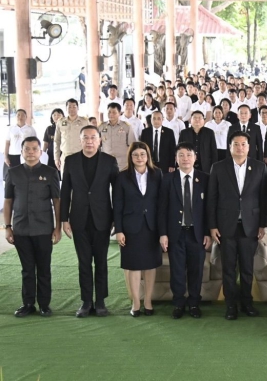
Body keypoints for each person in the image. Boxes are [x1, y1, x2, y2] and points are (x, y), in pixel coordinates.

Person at [208, 131, 267, 320]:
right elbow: (212, 198)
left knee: (247, 268)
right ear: (230, 147)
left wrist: (262, 224)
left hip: (250, 226)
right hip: (226, 226)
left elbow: (263, 198)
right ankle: (230, 305)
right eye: (236, 144)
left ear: (249, 147)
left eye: (243, 144)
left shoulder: (259, 167)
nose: (240, 147)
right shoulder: (218, 167)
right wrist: (212, 226)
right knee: (228, 268)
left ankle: (247, 303)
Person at [60, 125, 119, 318]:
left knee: (101, 262)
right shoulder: (70, 161)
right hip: (78, 219)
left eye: (93, 137)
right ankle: (86, 301)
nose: (89, 141)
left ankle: (100, 301)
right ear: (80, 140)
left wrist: (116, 220)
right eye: (85, 137)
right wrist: (64, 219)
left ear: (99, 140)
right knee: (84, 262)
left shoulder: (109, 161)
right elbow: (65, 191)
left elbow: (117, 193)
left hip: (103, 219)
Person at [3, 137, 61, 317]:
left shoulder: (50, 172)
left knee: (43, 268)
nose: (30, 152)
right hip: (21, 229)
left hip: (44, 229)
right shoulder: (13, 173)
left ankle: (44, 304)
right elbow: (8, 201)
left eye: (34, 149)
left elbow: (57, 201)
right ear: (21, 152)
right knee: (27, 269)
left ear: (40, 152)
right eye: (27, 149)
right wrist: (7, 226)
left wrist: (58, 227)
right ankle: (28, 304)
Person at [158, 143, 210, 319]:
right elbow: (162, 209)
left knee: (196, 270)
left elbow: (209, 208)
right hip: (176, 233)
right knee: (177, 270)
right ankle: (178, 303)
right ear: (176, 159)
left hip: (197, 234)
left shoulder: (205, 179)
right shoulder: (167, 179)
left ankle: (194, 303)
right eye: (181, 155)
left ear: (195, 158)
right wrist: (163, 233)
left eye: (189, 155)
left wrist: (208, 232)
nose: (185, 158)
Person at [113, 142, 163, 317]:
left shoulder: (157, 174)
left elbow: (161, 204)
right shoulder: (122, 176)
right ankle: (135, 302)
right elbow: (117, 205)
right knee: (133, 266)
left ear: (148, 156)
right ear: (131, 157)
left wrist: (162, 231)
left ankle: (148, 301)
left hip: (152, 226)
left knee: (150, 266)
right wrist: (119, 230)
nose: (139, 158)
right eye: (135, 155)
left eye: (142, 154)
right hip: (130, 228)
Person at [98, 103, 137, 170]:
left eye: (114, 112)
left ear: (119, 113)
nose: (111, 114)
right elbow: (97, 145)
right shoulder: (101, 126)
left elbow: (131, 145)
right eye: (109, 112)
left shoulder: (126, 127)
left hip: (122, 163)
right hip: (106, 161)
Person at [53, 99, 89, 170]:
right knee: (65, 176)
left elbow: (90, 138)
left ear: (78, 108)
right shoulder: (60, 122)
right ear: (66, 108)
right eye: (69, 107)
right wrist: (56, 158)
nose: (72, 109)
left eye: (74, 107)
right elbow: (57, 141)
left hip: (80, 156)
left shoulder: (84, 122)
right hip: (65, 156)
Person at [5, 109, 37, 178]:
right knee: (13, 175)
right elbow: (7, 143)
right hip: (13, 155)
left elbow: (35, 144)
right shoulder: (11, 129)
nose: (20, 117)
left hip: (27, 155)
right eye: (18, 115)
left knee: (26, 174)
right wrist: (6, 157)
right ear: (15, 117)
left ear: (26, 117)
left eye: (23, 115)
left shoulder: (30, 129)